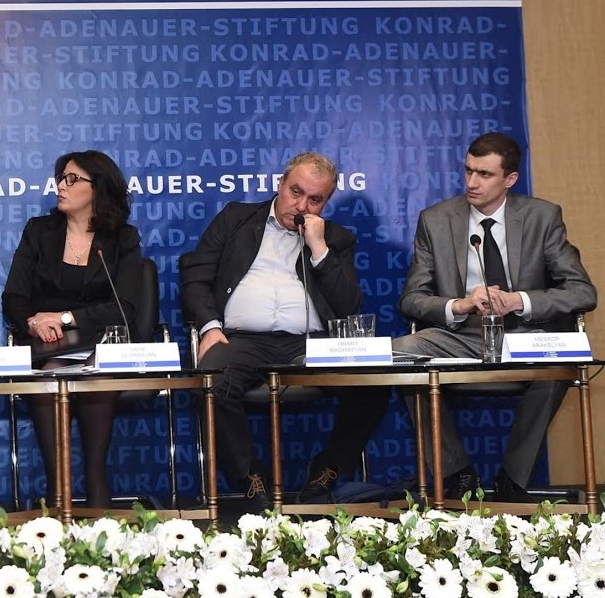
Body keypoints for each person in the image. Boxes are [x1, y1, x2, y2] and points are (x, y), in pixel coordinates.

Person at [179, 151, 388, 511]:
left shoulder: (336, 239)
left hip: (311, 344)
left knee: (374, 385)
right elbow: (195, 277)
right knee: (211, 382)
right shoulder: (235, 218)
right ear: (280, 183)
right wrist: (210, 327)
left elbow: (348, 306)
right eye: (295, 192)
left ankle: (328, 469)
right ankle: (249, 477)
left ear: (326, 202)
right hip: (240, 339)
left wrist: (318, 248)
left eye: (314, 199)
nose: (301, 206)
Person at [392, 132, 595, 502]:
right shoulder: (436, 220)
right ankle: (457, 473)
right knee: (401, 353)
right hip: (463, 335)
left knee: (562, 361)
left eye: (484, 174)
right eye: (468, 171)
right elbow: (411, 299)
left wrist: (519, 300)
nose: (472, 182)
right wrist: (460, 305)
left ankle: (513, 479)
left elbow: (582, 292)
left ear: (510, 179)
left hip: (526, 335)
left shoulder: (542, 217)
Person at [2, 150, 143, 509]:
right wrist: (34, 321)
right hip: (46, 344)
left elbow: (125, 306)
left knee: (97, 375)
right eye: (61, 178)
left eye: (72, 179)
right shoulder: (39, 231)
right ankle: (57, 489)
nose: (61, 186)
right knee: (50, 375)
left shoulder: (122, 238)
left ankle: (96, 487)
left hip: (100, 342)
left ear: (98, 188)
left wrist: (63, 318)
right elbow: (14, 297)